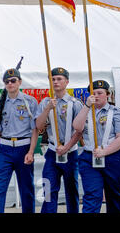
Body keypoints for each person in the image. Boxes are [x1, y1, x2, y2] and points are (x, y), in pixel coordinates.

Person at [0, 69, 39, 213]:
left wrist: (31, 152)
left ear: (20, 82)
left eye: (13, 80)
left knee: (26, 188)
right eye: (7, 81)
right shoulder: (0, 104)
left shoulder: (30, 101)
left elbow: (35, 130)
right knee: (0, 187)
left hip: (24, 148)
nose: (10, 83)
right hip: (6, 149)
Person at [73, 80, 120, 213]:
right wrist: (87, 106)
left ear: (107, 95)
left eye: (99, 93)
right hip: (89, 157)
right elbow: (77, 127)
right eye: (93, 93)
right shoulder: (85, 111)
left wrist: (105, 151)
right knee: (92, 195)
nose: (96, 96)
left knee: (115, 195)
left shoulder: (116, 112)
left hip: (113, 157)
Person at [35, 67, 83, 213]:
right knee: (49, 189)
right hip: (52, 151)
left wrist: (67, 147)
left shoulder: (75, 103)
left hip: (71, 153)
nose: (56, 82)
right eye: (53, 79)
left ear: (66, 82)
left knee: (71, 190)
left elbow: (80, 130)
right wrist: (47, 109)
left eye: (59, 79)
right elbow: (38, 126)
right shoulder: (45, 102)